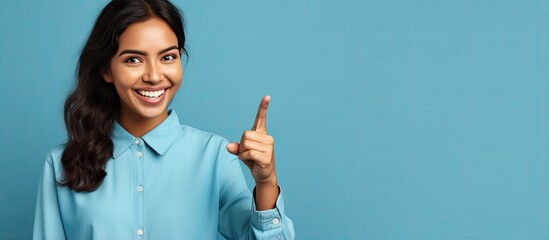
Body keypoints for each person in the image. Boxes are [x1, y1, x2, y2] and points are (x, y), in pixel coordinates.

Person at [32, 0, 295, 239]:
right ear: (106, 70)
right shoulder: (60, 166)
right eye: (133, 59)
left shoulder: (216, 157)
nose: (154, 76)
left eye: (168, 57)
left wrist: (266, 182)